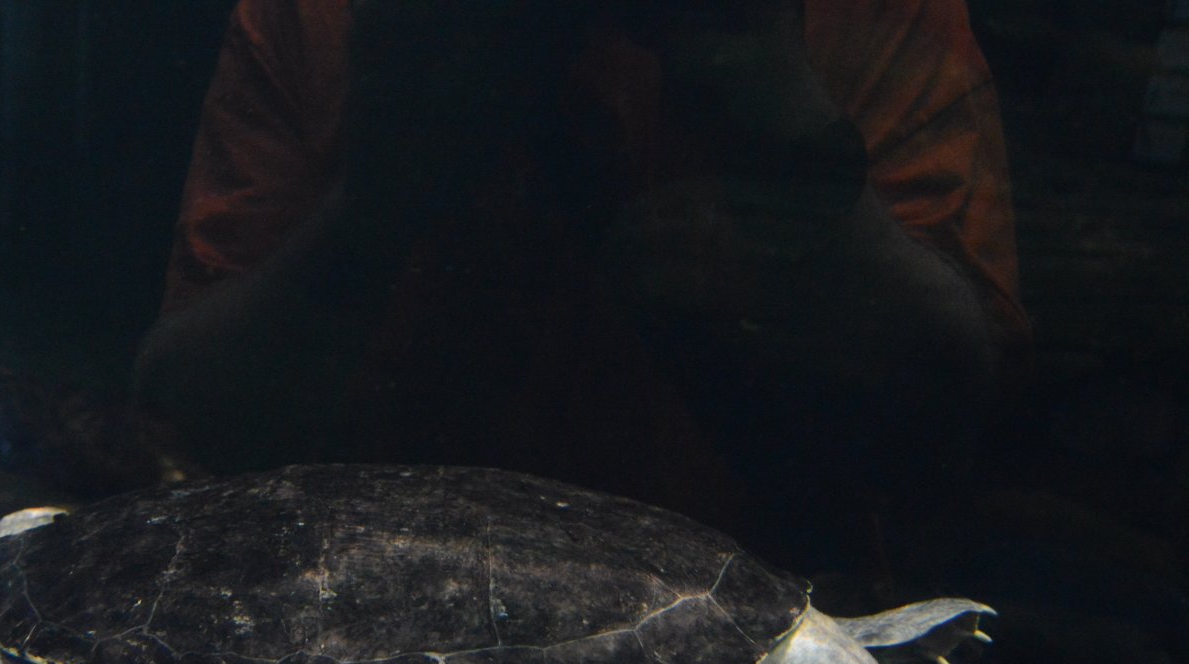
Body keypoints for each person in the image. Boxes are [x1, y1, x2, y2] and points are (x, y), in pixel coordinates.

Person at [133, 0, 1030, 570]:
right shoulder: (329, 18)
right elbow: (190, 432)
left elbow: (950, 438)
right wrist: (379, 196)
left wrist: (774, 107)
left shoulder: (861, 16)